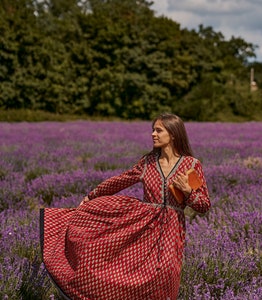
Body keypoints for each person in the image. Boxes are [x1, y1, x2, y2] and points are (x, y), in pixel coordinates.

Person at [40, 113, 210, 300]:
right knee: (128, 274)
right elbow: (121, 181)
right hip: (143, 227)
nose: (153, 134)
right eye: (153, 130)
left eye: (158, 130)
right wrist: (92, 196)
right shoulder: (148, 162)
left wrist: (188, 191)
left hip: (171, 230)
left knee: (166, 275)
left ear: (173, 134)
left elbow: (204, 205)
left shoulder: (191, 165)